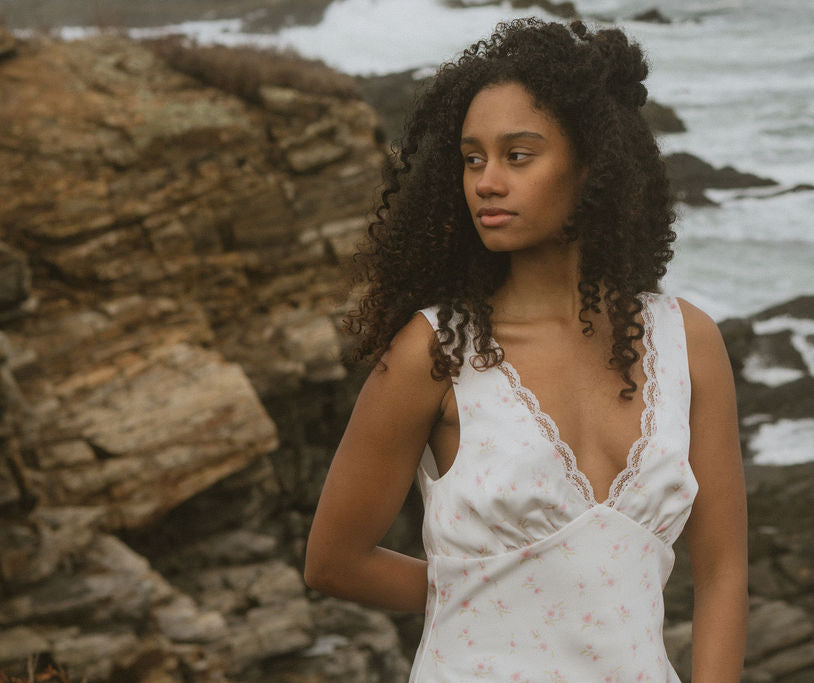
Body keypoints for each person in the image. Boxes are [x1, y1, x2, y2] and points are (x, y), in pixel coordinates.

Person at [305, 18, 748, 681]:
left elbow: (723, 573)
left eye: (518, 155)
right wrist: (483, 592)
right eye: (472, 157)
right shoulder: (436, 349)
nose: (486, 181)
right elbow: (334, 559)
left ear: (591, 165)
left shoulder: (689, 341)